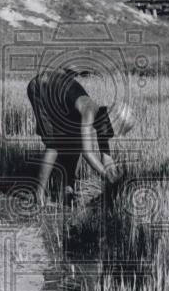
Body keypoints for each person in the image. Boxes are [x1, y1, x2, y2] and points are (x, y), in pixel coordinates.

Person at [26, 67, 135, 208]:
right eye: (111, 130)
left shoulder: (102, 122)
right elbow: (87, 153)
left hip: (57, 92)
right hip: (41, 87)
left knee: (75, 143)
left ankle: (68, 191)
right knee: (54, 145)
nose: (109, 134)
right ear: (108, 120)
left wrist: (113, 172)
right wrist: (105, 175)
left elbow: (106, 156)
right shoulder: (89, 111)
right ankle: (38, 195)